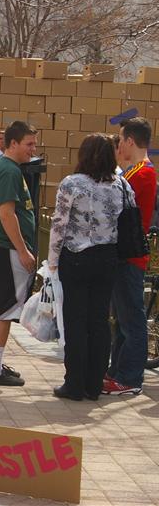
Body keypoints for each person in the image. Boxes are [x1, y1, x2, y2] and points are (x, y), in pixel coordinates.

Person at [48, 134, 125, 401]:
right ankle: (95, 384)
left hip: (77, 256)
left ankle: (74, 383)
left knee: (76, 321)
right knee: (100, 321)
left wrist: (53, 260)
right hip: (108, 257)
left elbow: (59, 224)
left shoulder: (72, 183)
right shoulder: (121, 185)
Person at [0, 121, 38, 387]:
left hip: (1, 247)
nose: (33, 149)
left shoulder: (9, 168)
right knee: (5, 309)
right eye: (29, 144)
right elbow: (7, 214)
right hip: (6, 248)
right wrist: (23, 250)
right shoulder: (9, 171)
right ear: (12, 144)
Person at [106, 117, 158, 396]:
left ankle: (129, 377)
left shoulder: (142, 173)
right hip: (125, 255)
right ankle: (117, 372)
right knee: (123, 320)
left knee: (131, 321)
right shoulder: (136, 171)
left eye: (121, 139)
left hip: (130, 255)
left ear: (129, 141)